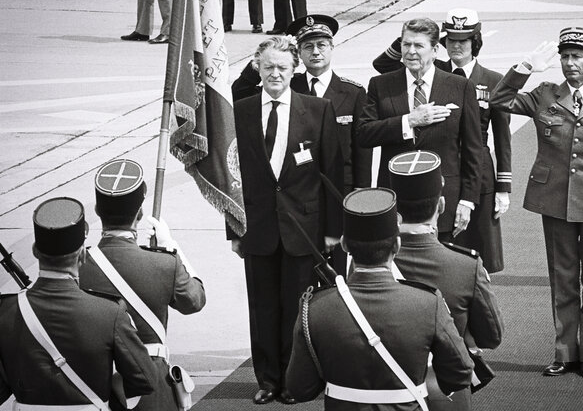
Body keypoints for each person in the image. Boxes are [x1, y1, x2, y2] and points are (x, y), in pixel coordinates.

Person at [490, 27, 583, 378]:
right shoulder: (544, 94)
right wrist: (525, 66)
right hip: (555, 200)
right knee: (562, 278)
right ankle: (564, 351)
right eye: (565, 57)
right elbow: (498, 101)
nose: (570, 63)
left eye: (577, 57)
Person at [228, 36, 344, 405]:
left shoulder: (318, 109)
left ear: (294, 68)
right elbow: (231, 177)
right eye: (267, 67)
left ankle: (297, 382)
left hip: (304, 230)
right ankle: (268, 380)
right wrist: (233, 228)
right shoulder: (241, 110)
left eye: (282, 67)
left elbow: (332, 174)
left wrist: (333, 232)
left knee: (298, 310)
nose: (275, 74)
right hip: (257, 228)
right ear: (257, 69)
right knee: (262, 309)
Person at [285, 187, 474, 409]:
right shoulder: (427, 303)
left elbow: (300, 388)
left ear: (345, 245)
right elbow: (460, 375)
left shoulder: (314, 308)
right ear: (397, 245)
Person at [372, 9, 512, 272]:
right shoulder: (431, 70)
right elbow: (383, 65)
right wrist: (413, 37)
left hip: (473, 172)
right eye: (451, 40)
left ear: (475, 43)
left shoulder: (490, 80)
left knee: (472, 254)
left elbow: (500, 137)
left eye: (464, 40)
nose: (456, 46)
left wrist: (503, 184)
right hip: (424, 171)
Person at [0, 197, 156, 408]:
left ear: (35, 251)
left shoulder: (6, 311)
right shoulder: (109, 313)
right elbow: (145, 380)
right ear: (82, 255)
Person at [78, 159, 206, 411]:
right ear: (139, 213)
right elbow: (195, 300)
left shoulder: (79, 266)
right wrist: (172, 247)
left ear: (97, 210)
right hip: (150, 388)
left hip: (94, 386)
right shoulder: (163, 264)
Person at [386, 150, 503, 410]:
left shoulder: (369, 267)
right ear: (440, 205)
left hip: (387, 393)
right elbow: (492, 336)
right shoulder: (465, 266)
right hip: (445, 391)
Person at [358, 17, 483, 243]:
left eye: (418, 46)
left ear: (435, 50)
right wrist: (408, 121)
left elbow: (474, 149)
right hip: (395, 202)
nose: (411, 52)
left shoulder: (460, 86)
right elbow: (364, 134)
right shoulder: (381, 85)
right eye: (406, 45)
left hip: (444, 203)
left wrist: (467, 200)